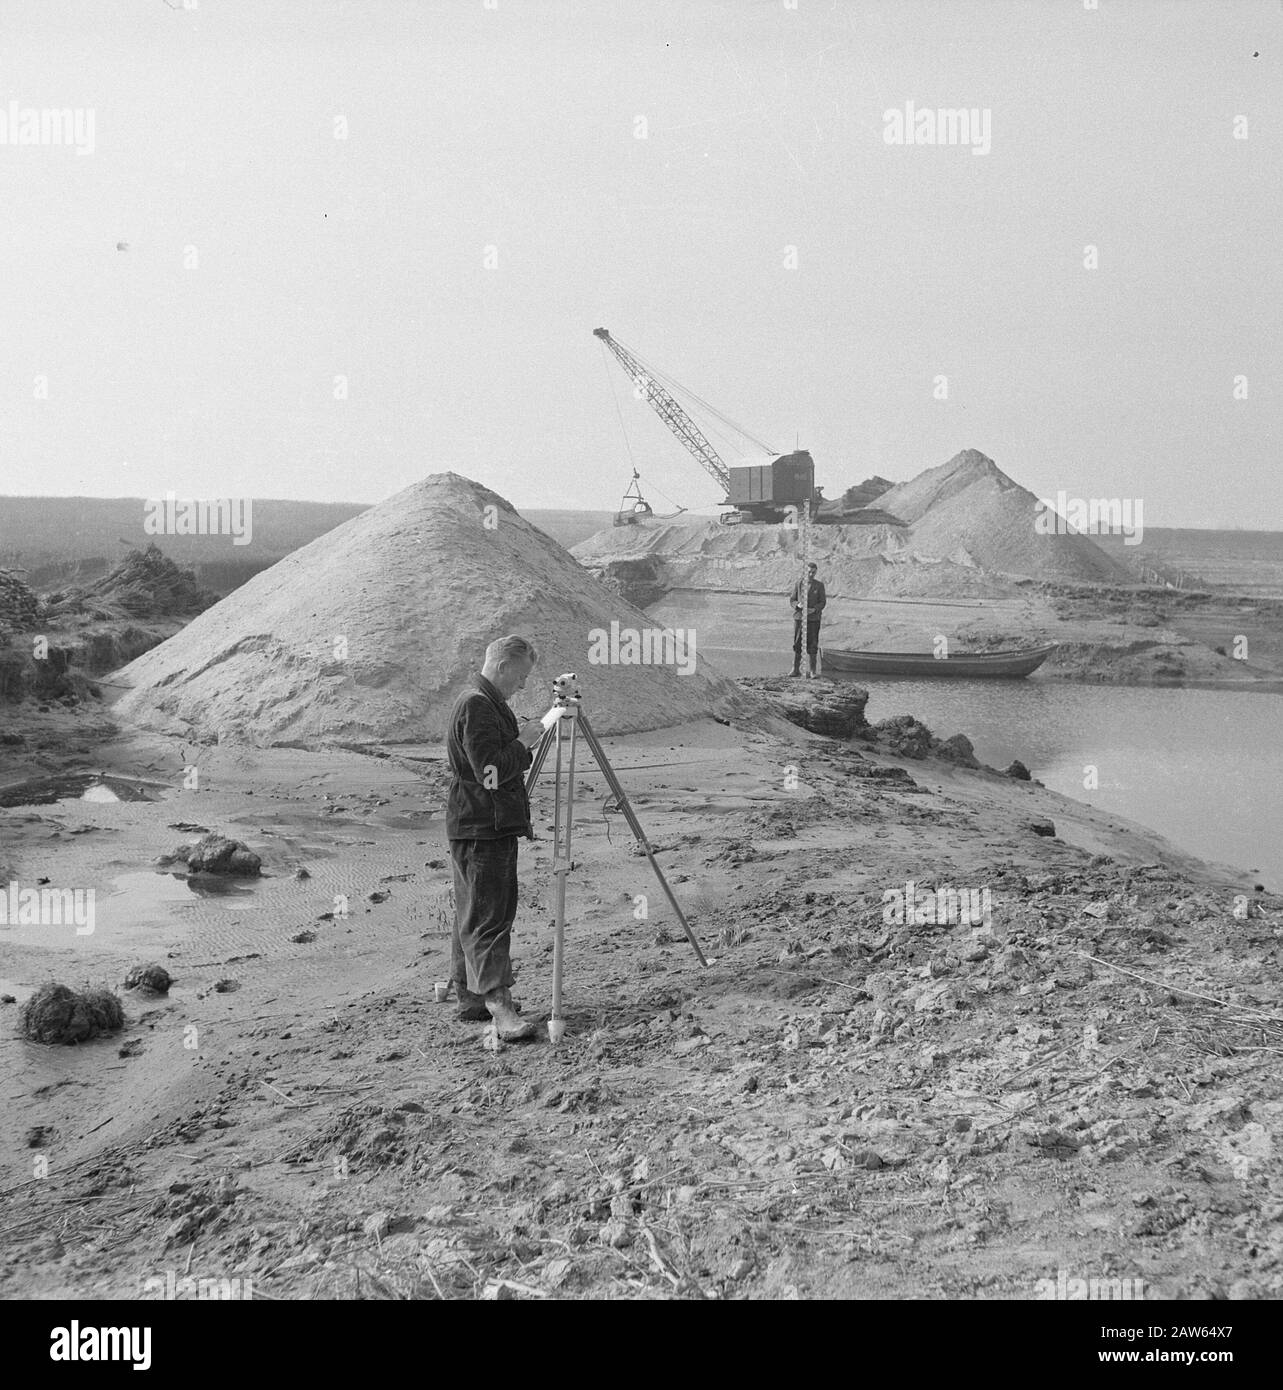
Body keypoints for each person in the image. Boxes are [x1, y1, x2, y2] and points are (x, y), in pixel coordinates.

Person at [445, 634, 560, 1040]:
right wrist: (525, 744)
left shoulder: (482, 700)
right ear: (502, 666)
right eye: (522, 677)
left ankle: (470, 998)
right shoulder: (476, 704)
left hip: (476, 821)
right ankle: (501, 1009)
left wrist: (519, 741)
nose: (523, 686)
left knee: (472, 910)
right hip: (482, 824)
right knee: (491, 916)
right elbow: (490, 772)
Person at [789, 563, 826, 676]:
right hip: (800, 618)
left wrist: (814, 609)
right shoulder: (799, 583)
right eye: (809, 571)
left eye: (813, 572)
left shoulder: (819, 585)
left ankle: (813, 671)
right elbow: (792, 599)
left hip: (813, 620)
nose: (811, 574)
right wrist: (798, 605)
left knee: (813, 644)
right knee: (797, 643)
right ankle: (795, 669)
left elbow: (823, 602)